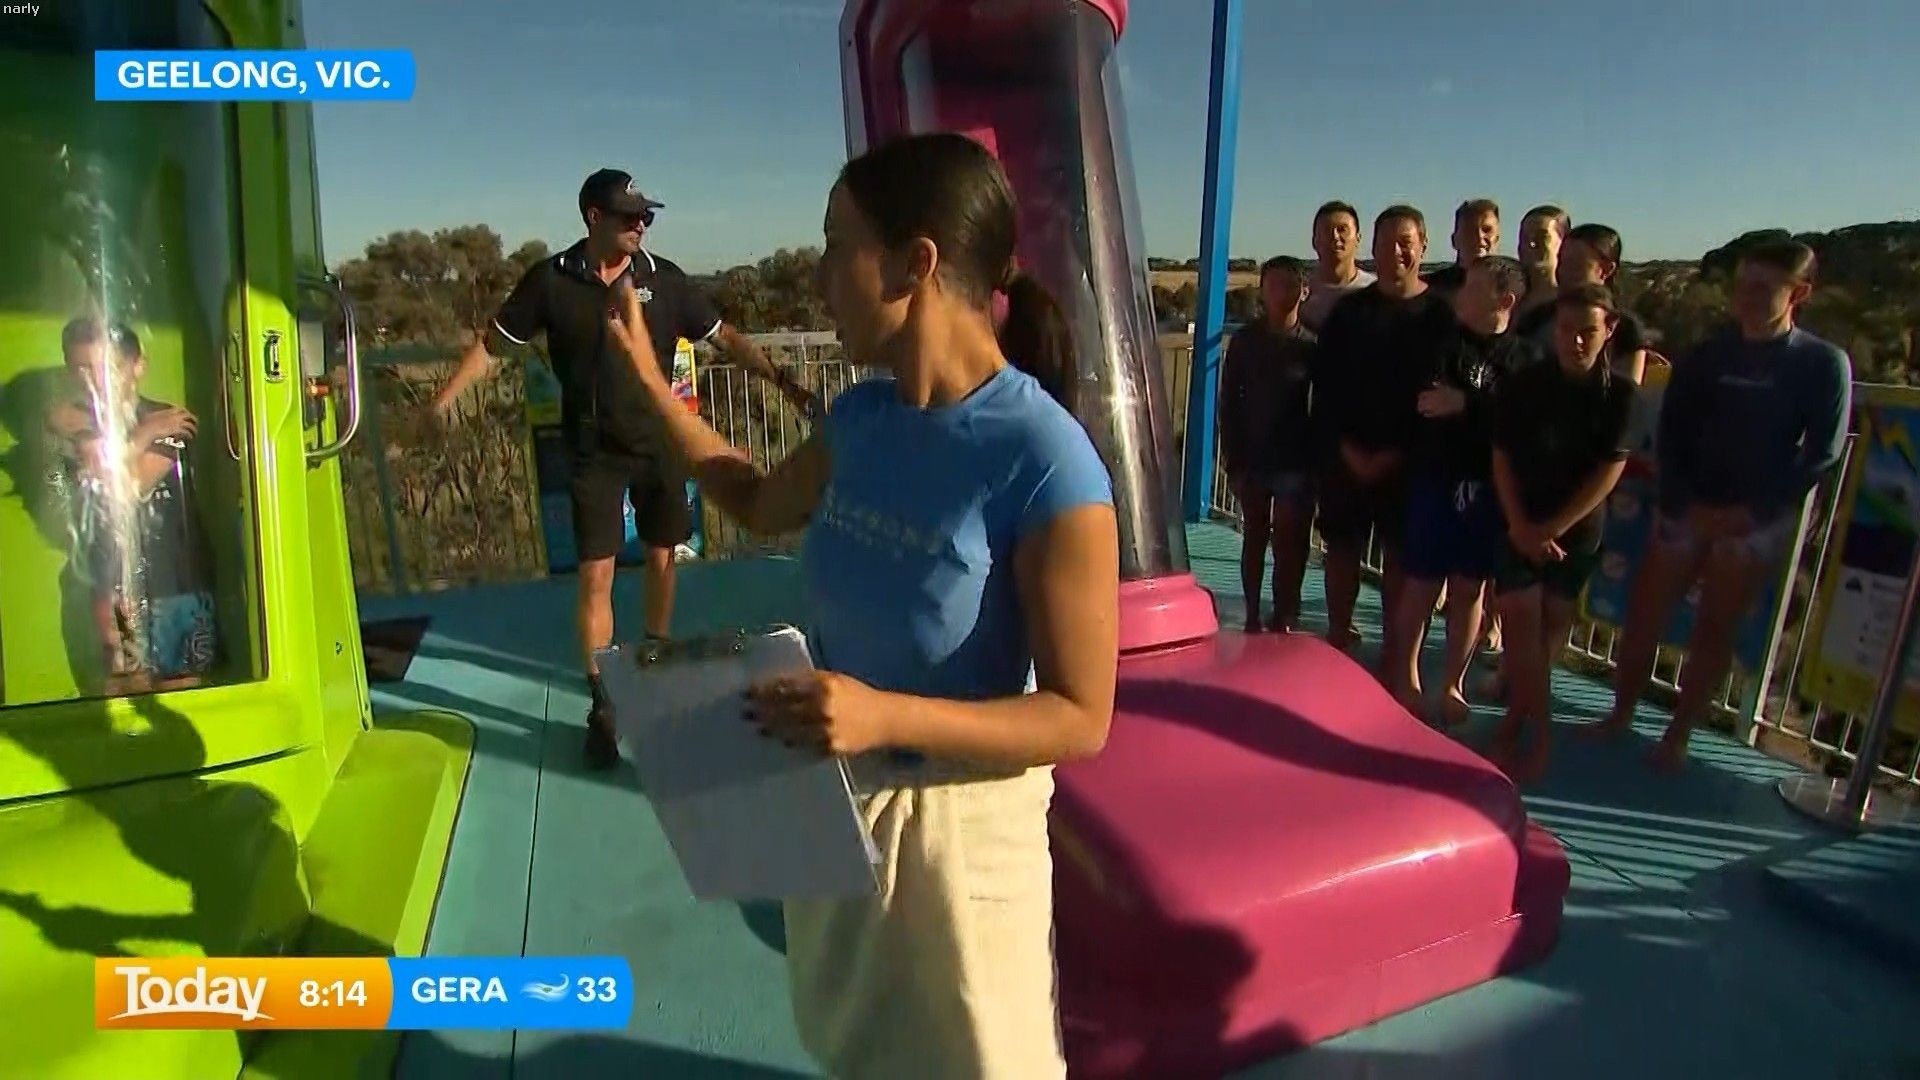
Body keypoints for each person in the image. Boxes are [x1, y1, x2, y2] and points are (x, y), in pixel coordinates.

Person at [605, 132, 1118, 1079]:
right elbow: (757, 499)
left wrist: (883, 715)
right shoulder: (861, 420)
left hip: (960, 852)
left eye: (837, 244)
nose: (819, 276)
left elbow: (1080, 717)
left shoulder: (1045, 461)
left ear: (915, 263)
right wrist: (648, 385)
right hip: (842, 812)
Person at [429, 168, 818, 769]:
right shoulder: (551, 280)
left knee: (663, 557)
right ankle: (603, 701)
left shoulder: (666, 280)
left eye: (647, 217)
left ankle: (654, 659)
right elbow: (493, 344)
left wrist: (783, 380)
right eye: (630, 216)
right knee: (596, 576)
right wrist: (441, 402)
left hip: (660, 444)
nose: (641, 226)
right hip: (593, 451)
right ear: (594, 217)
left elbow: (727, 339)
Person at [1595, 240, 1851, 771]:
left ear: (1799, 293)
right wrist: (1682, 502)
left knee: (1715, 626)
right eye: (1742, 286)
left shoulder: (1822, 363)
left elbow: (1821, 454)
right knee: (1645, 611)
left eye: (1763, 288)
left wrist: (1753, 513)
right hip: (1689, 504)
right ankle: (1619, 714)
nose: (1747, 298)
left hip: (1754, 518)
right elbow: (1673, 433)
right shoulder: (1709, 355)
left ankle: (1678, 736)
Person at [1487, 285, 1637, 782]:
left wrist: (1551, 529)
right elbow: (1502, 457)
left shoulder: (1620, 397)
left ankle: (1516, 720)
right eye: (1566, 330)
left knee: (1548, 633)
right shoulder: (1525, 385)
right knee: (1521, 628)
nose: (1575, 341)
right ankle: (1540, 739)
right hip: (1521, 519)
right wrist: (1520, 526)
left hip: (1575, 530)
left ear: (1609, 331)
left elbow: (1607, 473)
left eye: (1586, 332)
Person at [1387, 256, 1531, 724]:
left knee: (1470, 587)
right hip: (1436, 476)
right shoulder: (1443, 345)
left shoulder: (1524, 358)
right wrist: (1485, 412)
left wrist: (1467, 405)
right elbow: (1431, 402)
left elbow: (1521, 417)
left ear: (1505, 300)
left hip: (1489, 486)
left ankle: (1453, 682)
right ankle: (1407, 677)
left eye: (1474, 288)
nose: (1461, 297)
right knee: (1421, 581)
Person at [1313, 205, 1455, 660]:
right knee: (1342, 549)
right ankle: (1339, 635)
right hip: (1348, 456)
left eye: (1405, 242)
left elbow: (1443, 393)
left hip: (1413, 461)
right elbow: (1326, 386)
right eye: (1385, 243)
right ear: (1371, 248)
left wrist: (1397, 453)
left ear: (1423, 246)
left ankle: (1396, 652)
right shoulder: (1349, 312)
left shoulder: (1442, 317)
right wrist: (1347, 449)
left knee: (1401, 560)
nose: (1395, 252)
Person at [47, 318, 218, 693]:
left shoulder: (168, 418)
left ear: (138, 366)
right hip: (114, 587)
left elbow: (127, 488)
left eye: (108, 368)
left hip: (178, 582)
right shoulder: (74, 423)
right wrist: (141, 436)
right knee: (125, 690)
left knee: (183, 692)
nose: (95, 381)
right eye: (81, 369)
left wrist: (137, 437)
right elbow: (108, 486)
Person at [1218, 256, 1318, 632]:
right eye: (1273, 284)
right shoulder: (1246, 342)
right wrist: (1232, 459)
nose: (1281, 292)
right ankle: (1251, 612)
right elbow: (1229, 403)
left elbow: (1323, 408)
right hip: (1253, 455)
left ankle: (1284, 612)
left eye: (1289, 284)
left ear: (1304, 291)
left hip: (1296, 458)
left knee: (1291, 541)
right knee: (1255, 536)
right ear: (1261, 290)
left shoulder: (1313, 345)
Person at [1299, 200, 1375, 333]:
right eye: (1327, 230)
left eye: (1342, 230)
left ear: (1358, 238)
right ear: (1314, 241)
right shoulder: (1300, 295)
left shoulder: (1376, 290)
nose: (1335, 237)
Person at [1423, 199, 1501, 299]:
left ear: (1497, 239)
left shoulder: (1511, 287)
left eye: (1487, 230)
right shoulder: (1429, 289)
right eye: (1470, 230)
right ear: (1454, 240)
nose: (1479, 237)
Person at [1513, 204, 1570, 322]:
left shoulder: (1574, 304)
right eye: (1525, 238)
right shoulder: (1506, 301)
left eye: (1542, 237)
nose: (1531, 244)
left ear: (1564, 242)